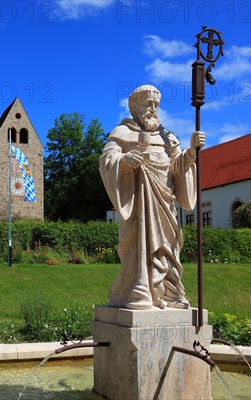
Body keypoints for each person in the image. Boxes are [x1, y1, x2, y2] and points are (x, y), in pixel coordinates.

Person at [99, 85, 205, 310]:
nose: (154, 109)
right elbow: (107, 159)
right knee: (139, 245)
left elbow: (178, 165)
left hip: (165, 203)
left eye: (156, 104)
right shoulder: (123, 132)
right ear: (134, 106)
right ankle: (139, 292)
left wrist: (192, 152)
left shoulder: (168, 137)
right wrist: (124, 161)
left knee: (169, 246)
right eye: (148, 104)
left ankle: (170, 293)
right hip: (139, 203)